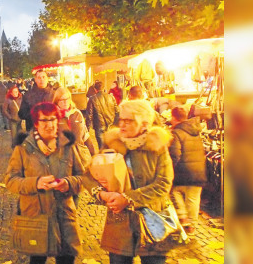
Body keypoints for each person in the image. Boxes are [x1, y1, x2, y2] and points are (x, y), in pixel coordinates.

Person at [86, 100, 173, 264]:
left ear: (144, 123)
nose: (123, 125)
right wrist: (102, 194)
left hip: (152, 220)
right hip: (120, 224)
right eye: (121, 120)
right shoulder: (112, 144)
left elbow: (163, 183)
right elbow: (89, 176)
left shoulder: (158, 146)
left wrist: (128, 198)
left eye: (129, 120)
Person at [5, 102, 85, 264]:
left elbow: (84, 178)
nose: (50, 124)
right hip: (36, 218)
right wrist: (36, 183)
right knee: (37, 260)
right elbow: (11, 181)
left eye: (53, 119)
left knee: (66, 259)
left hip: (64, 219)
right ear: (36, 123)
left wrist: (68, 183)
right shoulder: (23, 149)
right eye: (44, 120)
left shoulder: (67, 146)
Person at [169, 106, 206, 235]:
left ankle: (184, 219)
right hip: (198, 171)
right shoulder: (196, 131)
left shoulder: (176, 133)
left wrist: (170, 170)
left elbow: (174, 155)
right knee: (193, 199)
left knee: (174, 192)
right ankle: (192, 226)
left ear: (174, 118)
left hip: (183, 171)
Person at [86, 82, 119, 149]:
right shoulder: (111, 97)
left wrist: (87, 128)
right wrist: (116, 123)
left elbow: (89, 115)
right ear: (104, 88)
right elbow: (117, 111)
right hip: (110, 125)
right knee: (111, 146)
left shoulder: (92, 99)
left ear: (95, 89)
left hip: (99, 126)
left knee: (101, 147)